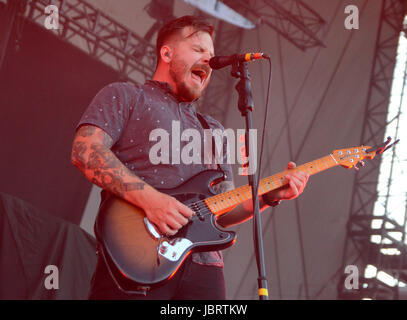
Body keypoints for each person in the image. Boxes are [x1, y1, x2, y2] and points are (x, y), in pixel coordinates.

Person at [71, 15, 309, 300]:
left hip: (205, 269)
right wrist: (152, 200)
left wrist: (269, 196)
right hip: (138, 258)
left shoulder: (214, 130)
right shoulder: (125, 95)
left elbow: (223, 208)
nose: (208, 61)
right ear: (167, 52)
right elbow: (85, 151)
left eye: (211, 55)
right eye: (198, 50)